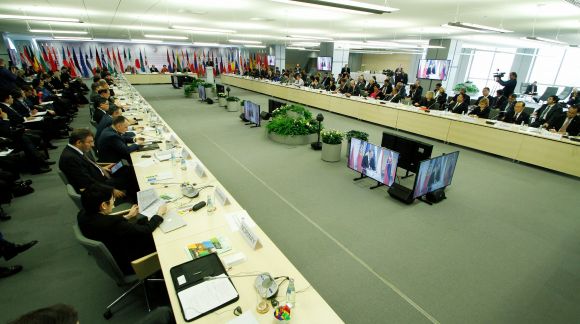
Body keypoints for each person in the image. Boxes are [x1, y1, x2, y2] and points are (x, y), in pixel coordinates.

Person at [78, 183, 166, 275]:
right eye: (113, 199)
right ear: (104, 205)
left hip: (115, 249)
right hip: (130, 262)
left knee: (142, 221)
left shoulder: (82, 214)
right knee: (161, 237)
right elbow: (146, 230)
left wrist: (127, 217)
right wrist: (159, 214)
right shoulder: (112, 223)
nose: (114, 202)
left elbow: (109, 227)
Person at [59, 128, 128, 199]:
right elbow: (87, 183)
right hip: (100, 186)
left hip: (100, 176)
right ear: (79, 142)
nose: (92, 145)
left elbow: (86, 167)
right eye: (89, 142)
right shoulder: (70, 159)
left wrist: (101, 168)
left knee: (125, 168)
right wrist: (111, 190)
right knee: (131, 177)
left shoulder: (75, 150)